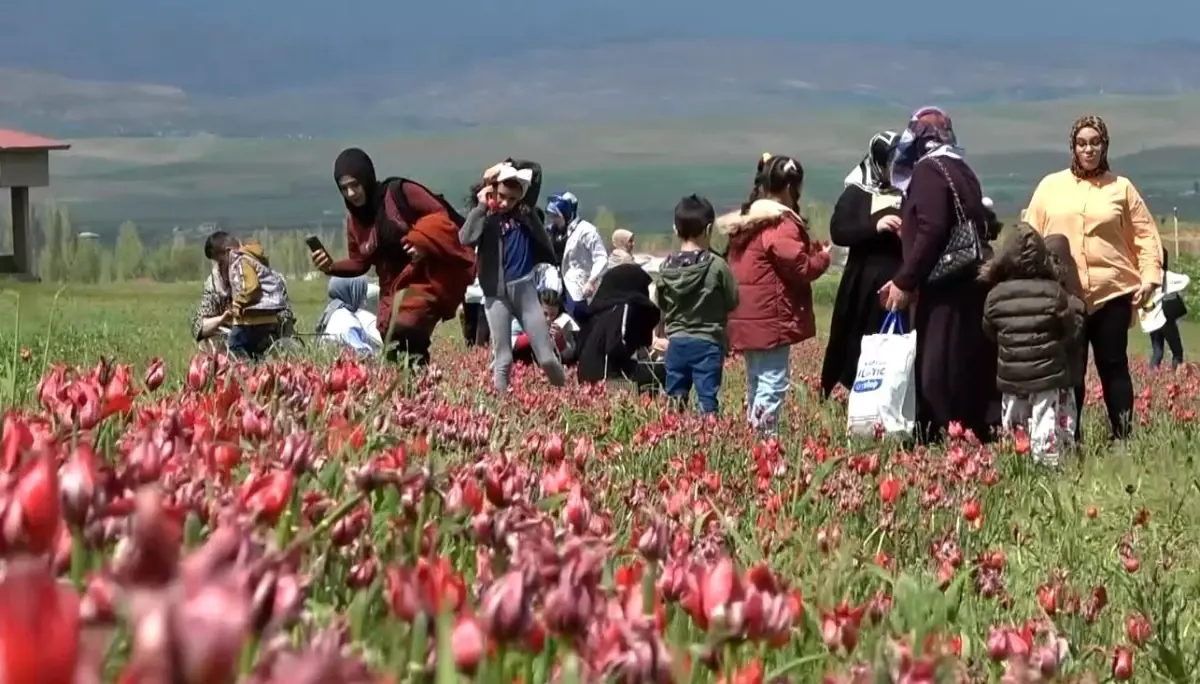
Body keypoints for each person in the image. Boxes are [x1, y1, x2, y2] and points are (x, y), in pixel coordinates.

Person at [1023, 115, 1163, 441]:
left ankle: (1123, 439)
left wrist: (1149, 277)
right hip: (1065, 294)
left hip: (1111, 291)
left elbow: (1144, 235)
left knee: (1113, 365)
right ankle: (1071, 438)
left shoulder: (1121, 188)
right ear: (1073, 147)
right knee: (1072, 372)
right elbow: (1030, 236)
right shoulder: (1050, 186)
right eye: (1082, 143)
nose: (1089, 149)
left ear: (1105, 145)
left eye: (1095, 142)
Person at [877, 106, 997, 443]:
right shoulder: (960, 167)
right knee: (962, 361)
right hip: (966, 284)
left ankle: (942, 437)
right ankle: (970, 432)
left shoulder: (929, 170)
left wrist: (906, 280)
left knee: (936, 368)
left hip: (942, 287)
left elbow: (933, 229)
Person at [313, 148, 475, 368]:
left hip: (424, 279)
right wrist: (331, 266)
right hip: (391, 290)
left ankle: (416, 387)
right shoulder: (356, 221)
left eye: (355, 185)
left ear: (366, 179)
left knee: (407, 328)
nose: (351, 193)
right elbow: (361, 262)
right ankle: (413, 391)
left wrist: (422, 242)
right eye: (344, 188)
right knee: (392, 347)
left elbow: (440, 214)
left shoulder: (400, 193)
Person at [719, 154, 832, 434]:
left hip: (746, 317)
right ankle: (764, 442)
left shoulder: (748, 221)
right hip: (771, 318)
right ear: (791, 187)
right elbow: (800, 267)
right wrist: (823, 258)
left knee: (756, 381)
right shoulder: (779, 223)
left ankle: (753, 435)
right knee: (772, 381)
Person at [980, 224, 1083, 467]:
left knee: (1015, 417)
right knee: (1044, 416)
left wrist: (1010, 343)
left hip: (1010, 373)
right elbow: (1068, 326)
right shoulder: (1054, 292)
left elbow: (989, 329)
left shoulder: (995, 295)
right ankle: (1047, 463)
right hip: (1048, 373)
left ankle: (1017, 461)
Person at [459, 162, 567, 393]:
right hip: (495, 294)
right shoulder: (485, 218)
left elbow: (535, 170)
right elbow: (465, 238)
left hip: (524, 291)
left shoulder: (525, 213)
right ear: (492, 192)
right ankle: (502, 408)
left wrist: (509, 165)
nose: (505, 203)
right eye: (501, 196)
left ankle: (567, 395)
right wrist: (480, 207)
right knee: (503, 358)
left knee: (546, 357)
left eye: (512, 199)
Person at [820, 130, 904, 397]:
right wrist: (875, 226)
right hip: (864, 287)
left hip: (900, 282)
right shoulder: (858, 191)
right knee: (858, 343)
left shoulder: (910, 189)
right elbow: (840, 231)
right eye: (892, 162)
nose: (896, 168)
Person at [658, 194, 739, 415]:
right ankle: (708, 440)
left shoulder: (666, 266)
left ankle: (672, 441)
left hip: (676, 342)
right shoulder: (717, 266)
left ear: (675, 230)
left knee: (674, 398)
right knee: (707, 400)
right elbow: (733, 300)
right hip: (708, 342)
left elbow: (661, 303)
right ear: (709, 228)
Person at [192, 231, 296, 354]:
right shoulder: (214, 285)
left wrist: (252, 314)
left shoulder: (271, 279)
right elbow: (198, 327)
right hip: (228, 340)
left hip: (267, 339)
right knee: (207, 342)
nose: (220, 267)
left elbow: (286, 317)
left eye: (221, 262)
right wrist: (223, 319)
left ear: (229, 252)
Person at [575, 263, 663, 390]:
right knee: (663, 372)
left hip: (588, 379)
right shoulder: (623, 307)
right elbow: (616, 345)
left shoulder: (600, 310)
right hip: (608, 379)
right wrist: (633, 366)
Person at [547, 191, 609, 321]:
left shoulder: (586, 231)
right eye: (551, 215)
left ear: (566, 214)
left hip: (578, 285)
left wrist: (591, 281)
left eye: (556, 216)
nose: (553, 219)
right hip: (556, 285)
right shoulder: (552, 231)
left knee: (579, 319)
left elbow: (601, 258)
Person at [226, 238, 291, 360]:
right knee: (258, 357)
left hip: (250, 320)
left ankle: (243, 376)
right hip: (269, 318)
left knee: (234, 348)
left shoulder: (244, 260)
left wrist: (239, 303)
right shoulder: (260, 262)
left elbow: (252, 287)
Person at [315, 276, 383, 354]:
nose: (365, 301)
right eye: (360, 294)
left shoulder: (333, 312)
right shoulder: (343, 318)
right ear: (349, 292)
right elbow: (361, 354)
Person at [512, 290, 579, 366]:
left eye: (553, 314)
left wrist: (561, 341)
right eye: (545, 314)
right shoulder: (525, 318)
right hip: (524, 365)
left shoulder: (563, 322)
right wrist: (531, 337)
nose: (548, 319)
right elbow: (507, 344)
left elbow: (569, 356)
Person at [1149, 247, 1185, 370]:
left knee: (1157, 352)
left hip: (1152, 319)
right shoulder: (1168, 276)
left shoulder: (1148, 278)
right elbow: (1185, 281)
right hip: (1166, 318)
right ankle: (1176, 378)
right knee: (1177, 351)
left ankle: (1152, 377)